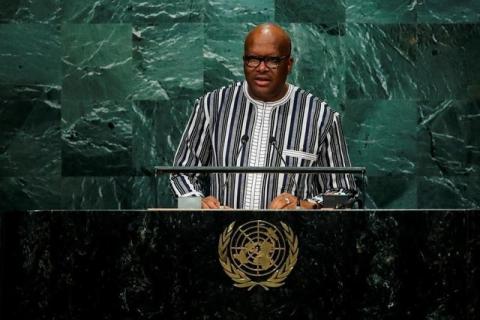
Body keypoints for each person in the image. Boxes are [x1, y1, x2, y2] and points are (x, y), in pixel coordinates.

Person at [170, 23, 355, 209]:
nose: (261, 68)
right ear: (244, 61)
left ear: (289, 65)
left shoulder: (321, 117)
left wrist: (305, 205)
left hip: (292, 236)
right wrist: (197, 203)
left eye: (272, 60)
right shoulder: (211, 106)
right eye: (253, 59)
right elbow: (180, 174)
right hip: (223, 235)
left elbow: (345, 193)